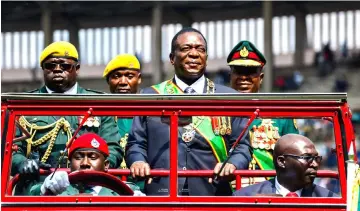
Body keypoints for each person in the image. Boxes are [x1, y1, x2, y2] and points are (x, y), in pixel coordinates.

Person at [126, 27, 252, 196]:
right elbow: (136, 143)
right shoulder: (151, 96)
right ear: (172, 58)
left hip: (212, 192)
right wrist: (138, 160)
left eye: (200, 49)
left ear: (206, 58)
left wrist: (233, 164)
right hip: (162, 192)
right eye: (186, 48)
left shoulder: (229, 97)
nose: (194, 54)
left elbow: (242, 146)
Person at [12, 41, 123, 195]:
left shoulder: (98, 103)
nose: (57, 70)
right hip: (38, 187)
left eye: (65, 66)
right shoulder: (23, 104)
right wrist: (22, 163)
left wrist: (92, 170)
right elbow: (9, 149)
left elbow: (113, 148)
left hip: (90, 188)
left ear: (76, 69)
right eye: (50, 66)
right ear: (43, 70)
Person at [227, 41, 299, 184]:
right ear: (231, 75)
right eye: (238, 71)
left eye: (250, 72)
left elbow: (295, 159)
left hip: (267, 194)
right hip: (226, 193)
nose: (243, 77)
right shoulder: (215, 113)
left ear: (261, 78)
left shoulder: (280, 114)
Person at [29, 133, 144, 196]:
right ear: (69, 164)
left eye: (92, 157)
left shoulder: (121, 190)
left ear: (106, 165)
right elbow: (30, 195)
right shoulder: (58, 187)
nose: (85, 163)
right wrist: (44, 187)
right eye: (78, 157)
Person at [233, 134, 337, 197]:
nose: (314, 164)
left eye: (316, 158)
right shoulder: (246, 197)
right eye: (307, 158)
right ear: (281, 161)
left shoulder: (329, 200)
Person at [103, 53, 142, 169]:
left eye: (129, 76)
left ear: (139, 78)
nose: (123, 82)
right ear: (108, 81)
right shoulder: (101, 114)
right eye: (116, 76)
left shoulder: (149, 112)